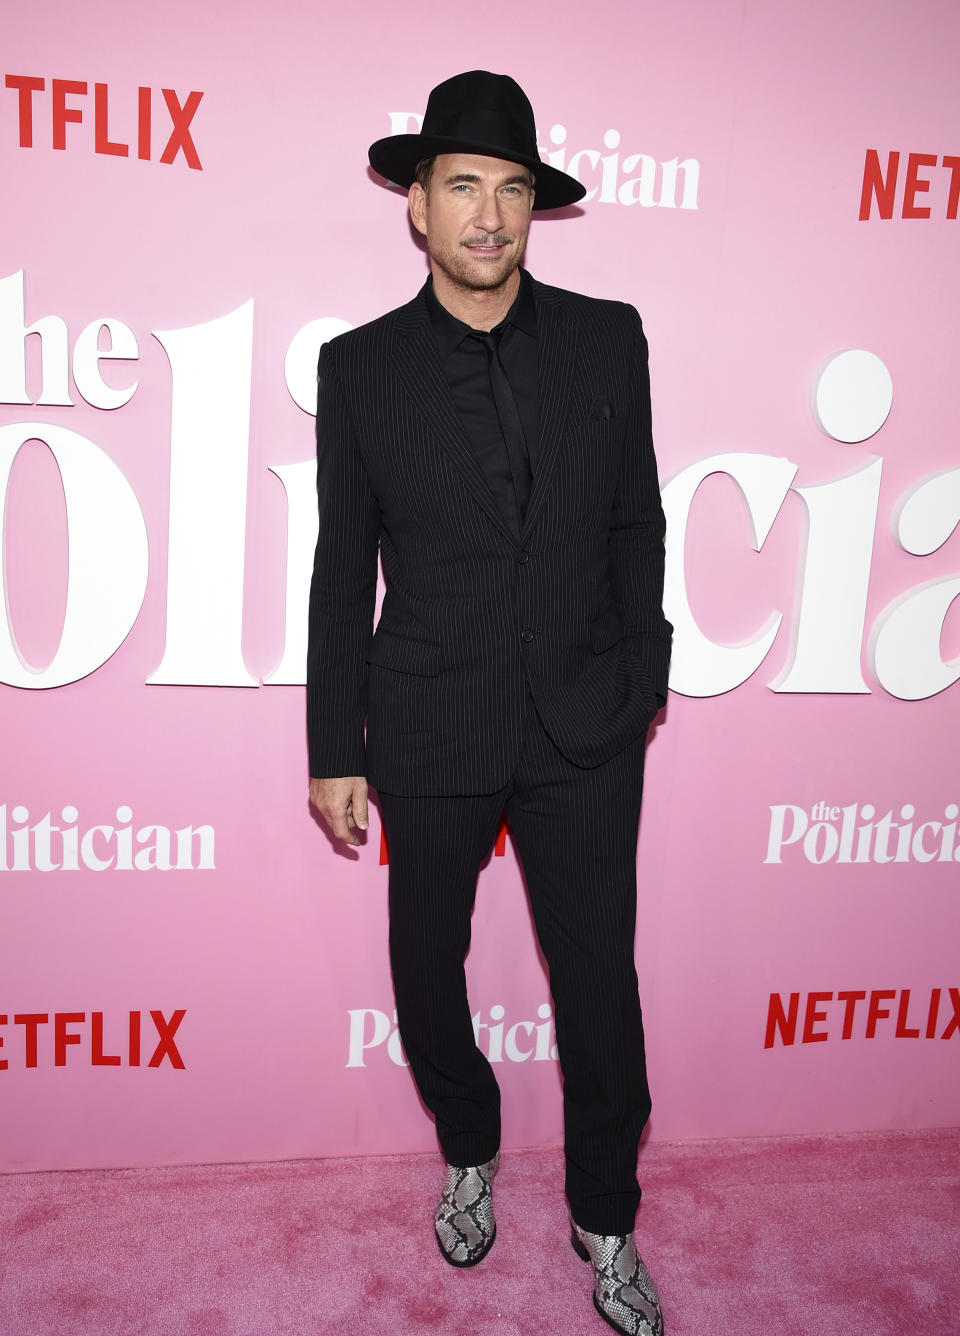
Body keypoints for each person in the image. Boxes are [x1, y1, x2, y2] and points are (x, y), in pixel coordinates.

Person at [307, 69, 671, 1336]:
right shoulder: (358, 370)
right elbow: (342, 561)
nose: (489, 214)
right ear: (418, 206)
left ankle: (606, 1217)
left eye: (512, 189)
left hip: (585, 725)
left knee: (599, 983)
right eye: (463, 185)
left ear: (534, 210)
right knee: (423, 964)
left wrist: (642, 682)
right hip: (428, 719)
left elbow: (637, 521)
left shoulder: (607, 335)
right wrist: (331, 743)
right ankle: (471, 1143)